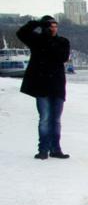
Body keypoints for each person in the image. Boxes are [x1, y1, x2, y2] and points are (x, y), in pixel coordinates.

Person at [16, 15, 70, 160]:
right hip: (41, 86)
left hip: (57, 85)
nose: (53, 29)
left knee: (56, 119)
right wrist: (38, 23)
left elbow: (62, 57)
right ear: (44, 27)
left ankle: (56, 149)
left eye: (55, 26)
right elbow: (21, 32)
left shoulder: (62, 41)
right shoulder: (36, 40)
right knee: (45, 118)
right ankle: (43, 150)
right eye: (50, 26)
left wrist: (48, 41)